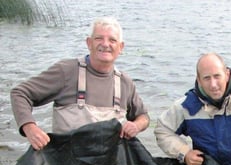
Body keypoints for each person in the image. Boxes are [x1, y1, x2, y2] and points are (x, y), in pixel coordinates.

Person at [10, 17, 149, 151]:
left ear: (120, 47)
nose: (105, 44)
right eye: (99, 38)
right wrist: (29, 127)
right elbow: (20, 93)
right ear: (89, 43)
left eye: (112, 40)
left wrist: (136, 126)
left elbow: (143, 117)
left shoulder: (125, 82)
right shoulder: (66, 71)